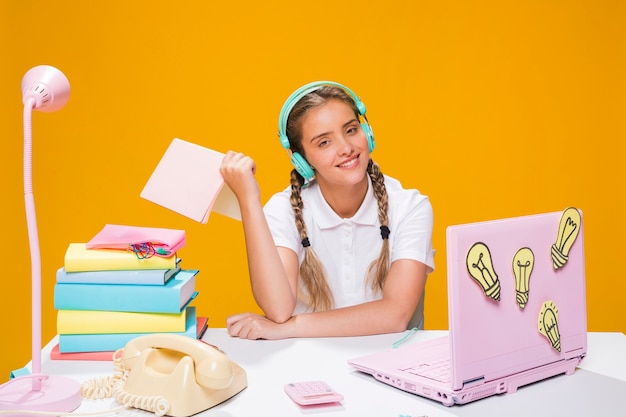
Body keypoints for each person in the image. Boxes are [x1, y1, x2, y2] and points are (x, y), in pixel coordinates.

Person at [219, 81, 434, 340]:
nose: (346, 148)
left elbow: (395, 315)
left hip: (390, 363)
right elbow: (277, 309)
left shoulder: (410, 207)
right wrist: (249, 201)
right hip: (307, 361)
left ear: (367, 131)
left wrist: (288, 329)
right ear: (301, 160)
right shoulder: (283, 209)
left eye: (351, 130)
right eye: (324, 142)